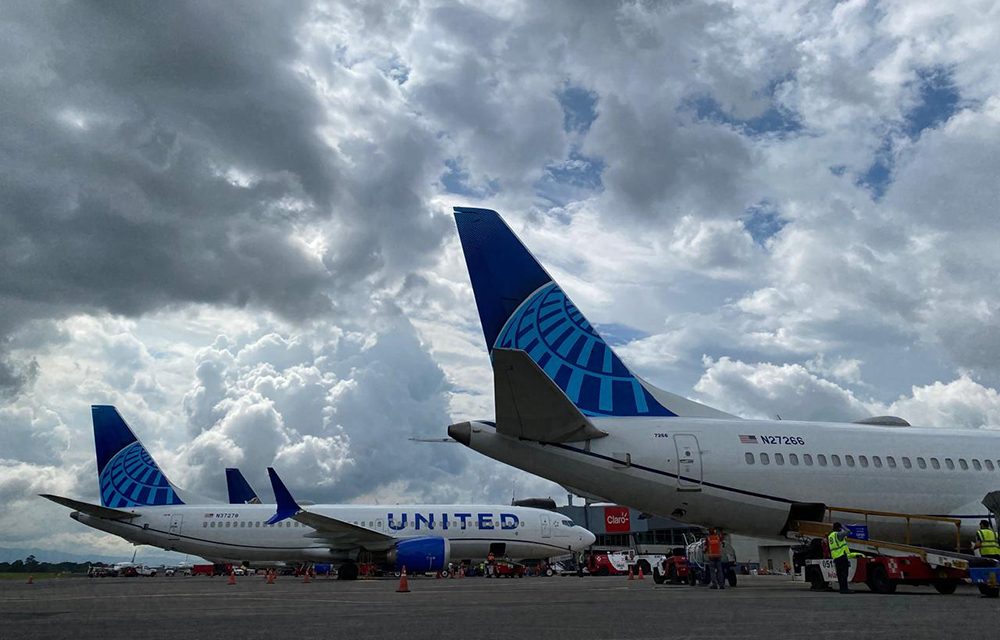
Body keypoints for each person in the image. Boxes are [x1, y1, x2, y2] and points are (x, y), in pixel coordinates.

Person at [827, 523, 852, 594]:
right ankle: (845, 589)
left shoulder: (830, 535)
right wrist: (843, 526)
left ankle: (842, 588)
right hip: (841, 555)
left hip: (835, 556)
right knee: (844, 573)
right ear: (839, 528)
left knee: (840, 574)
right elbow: (848, 531)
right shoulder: (838, 534)